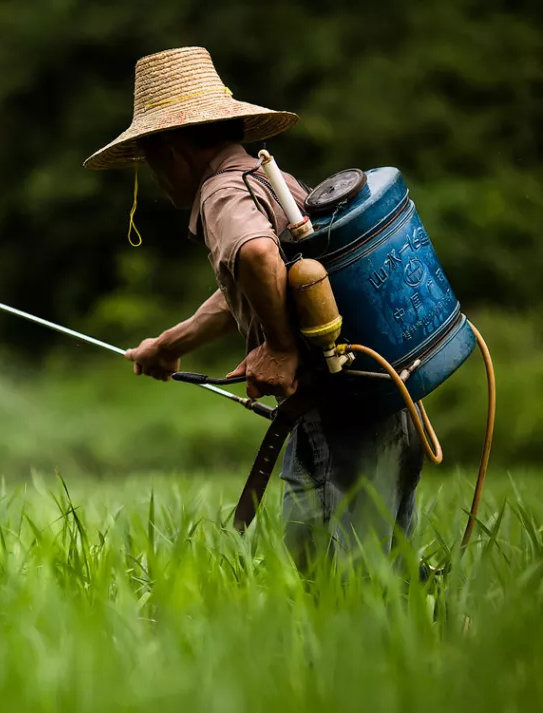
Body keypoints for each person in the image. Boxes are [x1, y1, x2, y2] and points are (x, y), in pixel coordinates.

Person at [83, 46, 424, 572]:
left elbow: (258, 254)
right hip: (388, 397)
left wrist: (281, 349)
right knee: (389, 578)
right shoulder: (271, 180)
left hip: (337, 411)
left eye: (149, 161)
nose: (154, 175)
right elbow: (247, 285)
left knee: (335, 588)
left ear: (170, 151)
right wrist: (169, 345)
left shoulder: (219, 194)